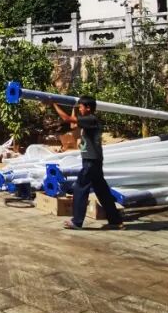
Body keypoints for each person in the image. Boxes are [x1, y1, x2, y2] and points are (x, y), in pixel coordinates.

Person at [52, 96, 123, 230]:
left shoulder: (91, 119)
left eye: (81, 107)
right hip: (94, 160)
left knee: (80, 188)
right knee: (102, 191)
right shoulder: (88, 120)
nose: (80, 109)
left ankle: (77, 221)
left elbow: (67, 119)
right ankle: (115, 220)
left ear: (88, 108)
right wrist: (74, 107)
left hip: (91, 161)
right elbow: (73, 125)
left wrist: (53, 103)